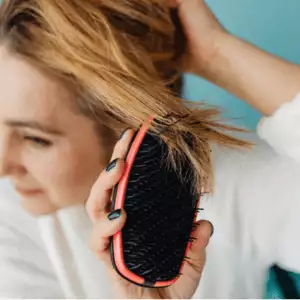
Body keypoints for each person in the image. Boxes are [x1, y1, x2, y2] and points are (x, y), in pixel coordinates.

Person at [0, 0, 299, 298]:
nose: (2, 167)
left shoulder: (232, 180)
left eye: (35, 139)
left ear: (124, 125)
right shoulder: (11, 213)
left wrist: (216, 54)